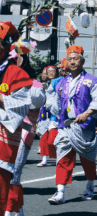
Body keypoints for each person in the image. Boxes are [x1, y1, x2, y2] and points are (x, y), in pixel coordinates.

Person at [47, 45, 97, 204]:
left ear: (82, 61)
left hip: (84, 126)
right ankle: (60, 192)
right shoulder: (60, 83)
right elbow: (55, 104)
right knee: (63, 157)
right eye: (69, 59)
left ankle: (90, 184)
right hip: (66, 125)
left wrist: (87, 113)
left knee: (87, 160)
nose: (72, 62)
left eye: (75, 59)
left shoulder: (91, 81)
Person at [0, 21, 44, 215]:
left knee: (12, 177)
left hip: (9, 135)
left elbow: (25, 104)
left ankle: (14, 210)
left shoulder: (18, 74)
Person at [37, 66, 59, 167]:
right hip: (43, 113)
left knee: (52, 139)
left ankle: (58, 156)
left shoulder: (59, 83)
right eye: (47, 72)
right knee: (43, 138)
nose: (50, 73)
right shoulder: (42, 85)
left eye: (53, 71)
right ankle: (44, 159)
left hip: (55, 114)